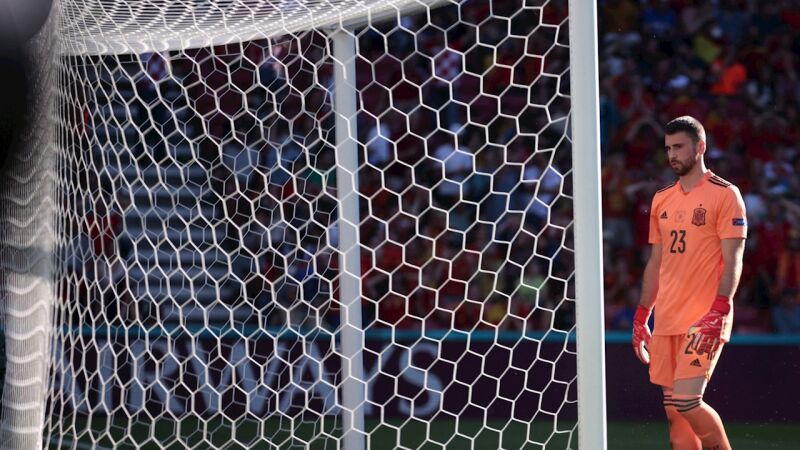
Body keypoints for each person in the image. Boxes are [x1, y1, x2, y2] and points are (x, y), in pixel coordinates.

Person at [632, 116, 746, 450]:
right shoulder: (662, 198)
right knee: (675, 413)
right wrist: (642, 315)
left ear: (700, 147)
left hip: (704, 317)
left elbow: (734, 259)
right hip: (667, 318)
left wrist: (720, 309)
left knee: (687, 401)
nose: (672, 155)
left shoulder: (726, 195)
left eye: (679, 147)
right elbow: (656, 262)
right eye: (669, 148)